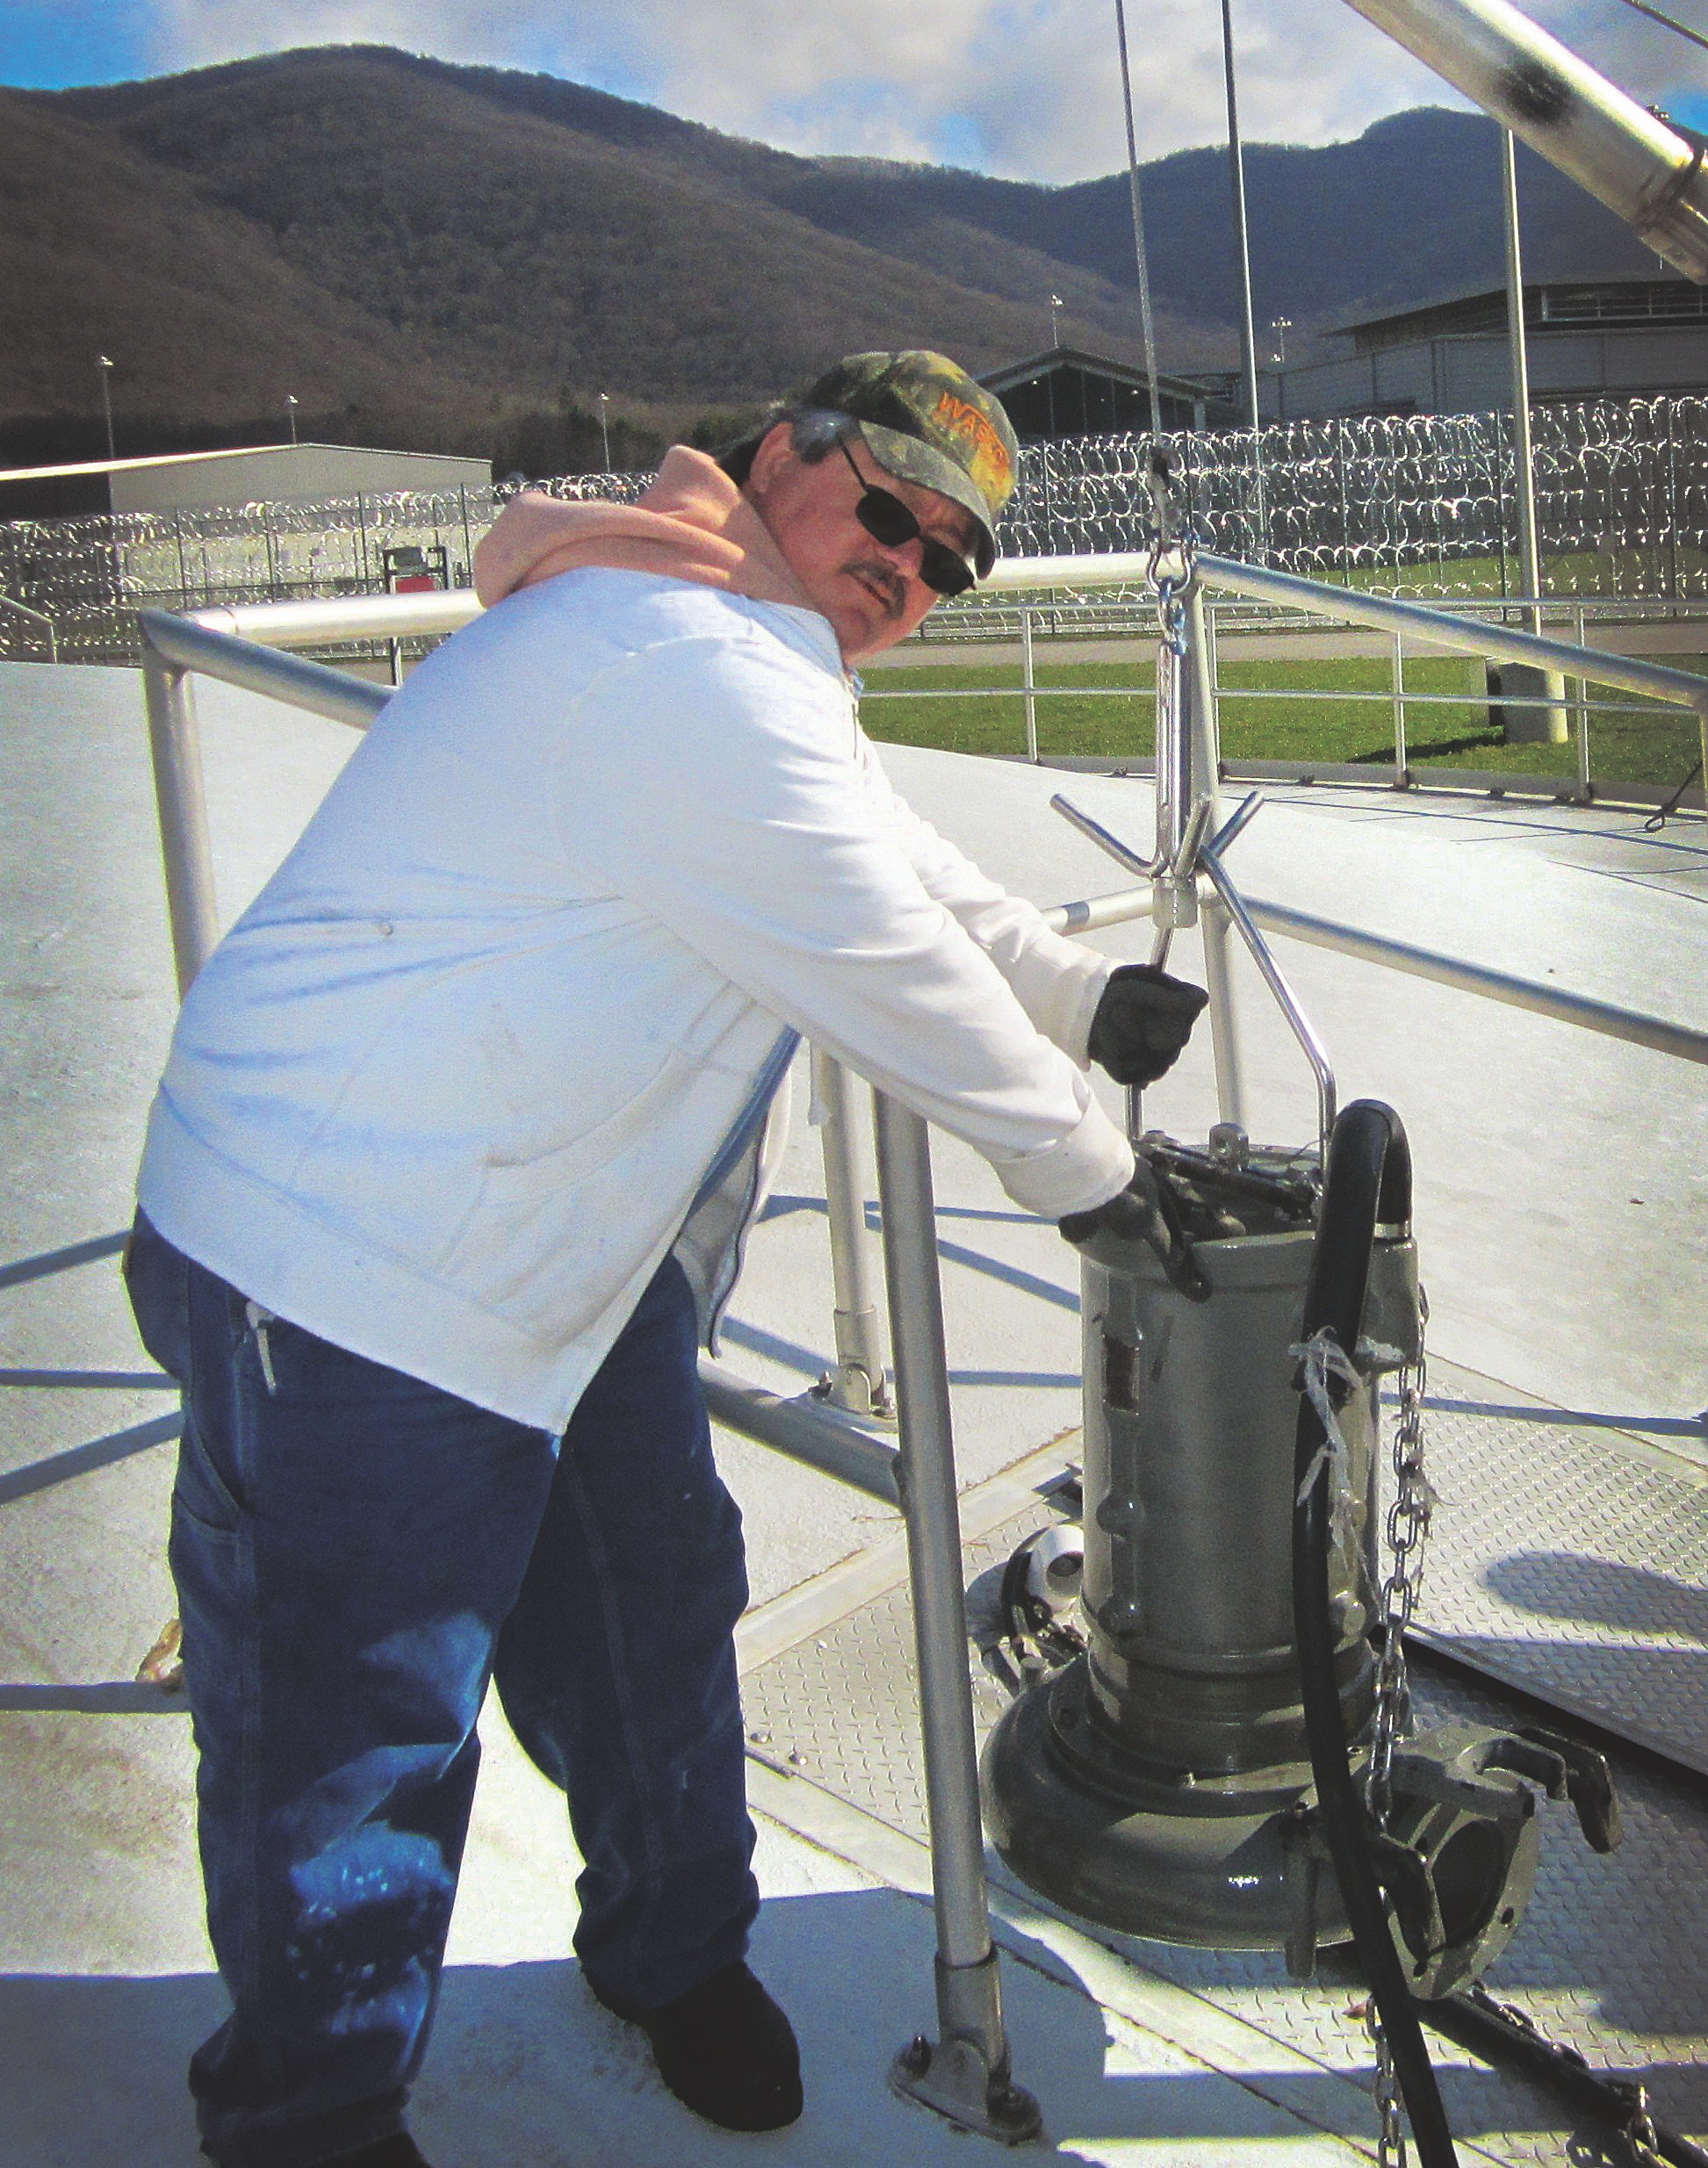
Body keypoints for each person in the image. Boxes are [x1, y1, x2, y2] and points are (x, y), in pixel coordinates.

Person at [126, 349, 1207, 2168]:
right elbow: (877, 950)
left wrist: (1073, 986)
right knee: (360, 1725)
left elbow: (875, 848)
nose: (907, 569)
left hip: (554, 1245)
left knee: (649, 1597)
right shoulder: (675, 657)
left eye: (949, 562)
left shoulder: (728, 640)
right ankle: (307, 2118)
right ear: (781, 455)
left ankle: (672, 1950)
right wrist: (1089, 1176)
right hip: (344, 1267)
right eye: (886, 510)